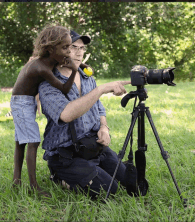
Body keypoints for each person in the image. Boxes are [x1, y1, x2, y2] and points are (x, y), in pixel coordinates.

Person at [38, 30, 131, 198]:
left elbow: (98, 106)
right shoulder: (48, 83)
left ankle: (94, 170)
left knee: (131, 182)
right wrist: (102, 89)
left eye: (82, 48)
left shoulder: (87, 77)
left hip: (92, 146)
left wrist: (104, 127)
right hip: (66, 154)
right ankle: (59, 177)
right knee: (108, 191)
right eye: (73, 47)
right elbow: (66, 114)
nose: (79, 52)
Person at [10, 25, 79, 196]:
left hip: (22, 101)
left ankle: (16, 180)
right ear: (50, 49)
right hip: (21, 103)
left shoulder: (47, 61)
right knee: (32, 142)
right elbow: (64, 89)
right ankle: (34, 187)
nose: (69, 51)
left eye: (70, 46)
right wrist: (74, 71)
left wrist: (69, 62)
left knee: (21, 141)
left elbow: (59, 63)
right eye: (65, 47)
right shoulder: (41, 68)